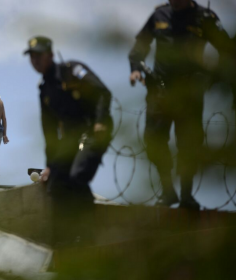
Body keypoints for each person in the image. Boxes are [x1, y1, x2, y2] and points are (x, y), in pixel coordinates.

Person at [129, 0, 234, 209]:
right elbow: (141, 43)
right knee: (153, 142)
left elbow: (227, 50)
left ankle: (186, 195)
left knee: (188, 145)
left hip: (189, 93)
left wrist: (213, 76)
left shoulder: (205, 18)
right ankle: (168, 192)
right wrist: (135, 68)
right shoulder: (160, 14)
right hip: (159, 91)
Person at [25, 36, 113, 246]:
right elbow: (49, 131)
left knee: (77, 176)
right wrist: (49, 164)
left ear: (50, 55)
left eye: (39, 56)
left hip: (94, 131)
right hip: (70, 139)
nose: (35, 61)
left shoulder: (72, 70)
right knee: (55, 184)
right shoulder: (44, 89)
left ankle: (88, 237)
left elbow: (102, 93)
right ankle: (61, 245)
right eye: (32, 57)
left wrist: (100, 121)